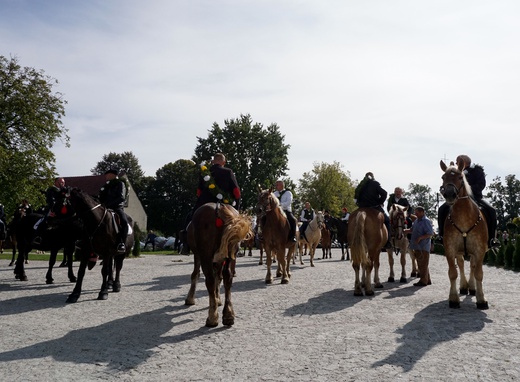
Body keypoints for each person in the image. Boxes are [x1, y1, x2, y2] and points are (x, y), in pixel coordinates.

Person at [180, 153, 241, 255]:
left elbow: (199, 192)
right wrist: (237, 206)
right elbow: (236, 192)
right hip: (224, 204)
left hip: (204, 202)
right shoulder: (228, 172)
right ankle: (236, 247)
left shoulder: (205, 173)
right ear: (223, 162)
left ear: (213, 161)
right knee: (237, 225)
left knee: (189, 219)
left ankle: (185, 245)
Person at [437, 154, 499, 249]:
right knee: (441, 210)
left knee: (492, 211)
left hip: (475, 197)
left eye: (457, 162)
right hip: (457, 198)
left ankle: (492, 238)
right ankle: (441, 236)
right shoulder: (456, 172)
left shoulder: (477, 171)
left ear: (463, 162)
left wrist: (468, 190)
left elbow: (481, 184)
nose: (456, 164)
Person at [354, 172, 391, 249]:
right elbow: (384, 193)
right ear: (373, 177)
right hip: (374, 207)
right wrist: (380, 202)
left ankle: (349, 241)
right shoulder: (375, 184)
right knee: (387, 221)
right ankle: (388, 242)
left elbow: (356, 196)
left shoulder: (361, 185)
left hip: (361, 207)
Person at [99, 169, 129, 254]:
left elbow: (121, 197)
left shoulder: (120, 184)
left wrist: (109, 205)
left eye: (107, 175)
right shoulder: (106, 186)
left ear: (112, 175)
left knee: (124, 222)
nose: (106, 177)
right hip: (105, 208)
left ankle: (121, 242)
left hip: (117, 208)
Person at [33, 177, 67, 245]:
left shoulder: (65, 191)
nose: (63, 184)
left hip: (62, 210)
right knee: (45, 220)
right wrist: (52, 210)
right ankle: (38, 236)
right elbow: (51, 201)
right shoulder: (51, 190)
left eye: (63, 182)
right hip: (52, 210)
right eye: (61, 182)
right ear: (56, 182)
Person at [406, 206, 434, 287]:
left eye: (417, 213)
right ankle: (427, 280)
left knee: (423, 264)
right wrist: (405, 231)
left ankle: (423, 281)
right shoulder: (417, 221)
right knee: (422, 263)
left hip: (423, 246)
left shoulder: (426, 221)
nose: (415, 214)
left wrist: (420, 238)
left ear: (422, 212)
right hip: (417, 246)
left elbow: (430, 233)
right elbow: (412, 230)